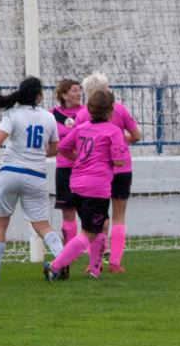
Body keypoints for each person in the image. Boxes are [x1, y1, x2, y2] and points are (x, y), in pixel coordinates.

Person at [0, 77, 64, 281]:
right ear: (38, 96)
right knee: (42, 226)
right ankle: (62, 262)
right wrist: (36, 153)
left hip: (10, 173)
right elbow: (54, 149)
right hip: (36, 175)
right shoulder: (49, 117)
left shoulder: (12, 114)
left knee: (0, 223)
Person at [44, 91, 128, 281]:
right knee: (89, 232)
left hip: (77, 183)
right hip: (97, 187)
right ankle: (55, 266)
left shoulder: (81, 128)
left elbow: (62, 147)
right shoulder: (113, 131)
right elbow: (119, 161)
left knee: (99, 225)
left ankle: (94, 270)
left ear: (89, 109)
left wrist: (78, 158)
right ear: (111, 110)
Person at [76, 73, 141, 273]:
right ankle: (115, 262)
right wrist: (118, 141)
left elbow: (79, 143)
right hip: (122, 167)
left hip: (97, 172)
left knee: (98, 219)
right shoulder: (119, 109)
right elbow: (136, 135)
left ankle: (94, 263)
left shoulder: (82, 114)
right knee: (119, 216)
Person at [51, 78, 83, 278]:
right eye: (74, 90)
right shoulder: (52, 115)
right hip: (64, 169)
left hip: (85, 169)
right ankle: (69, 256)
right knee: (68, 213)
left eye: (80, 90)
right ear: (64, 95)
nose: (79, 94)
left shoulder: (86, 113)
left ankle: (99, 257)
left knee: (89, 213)